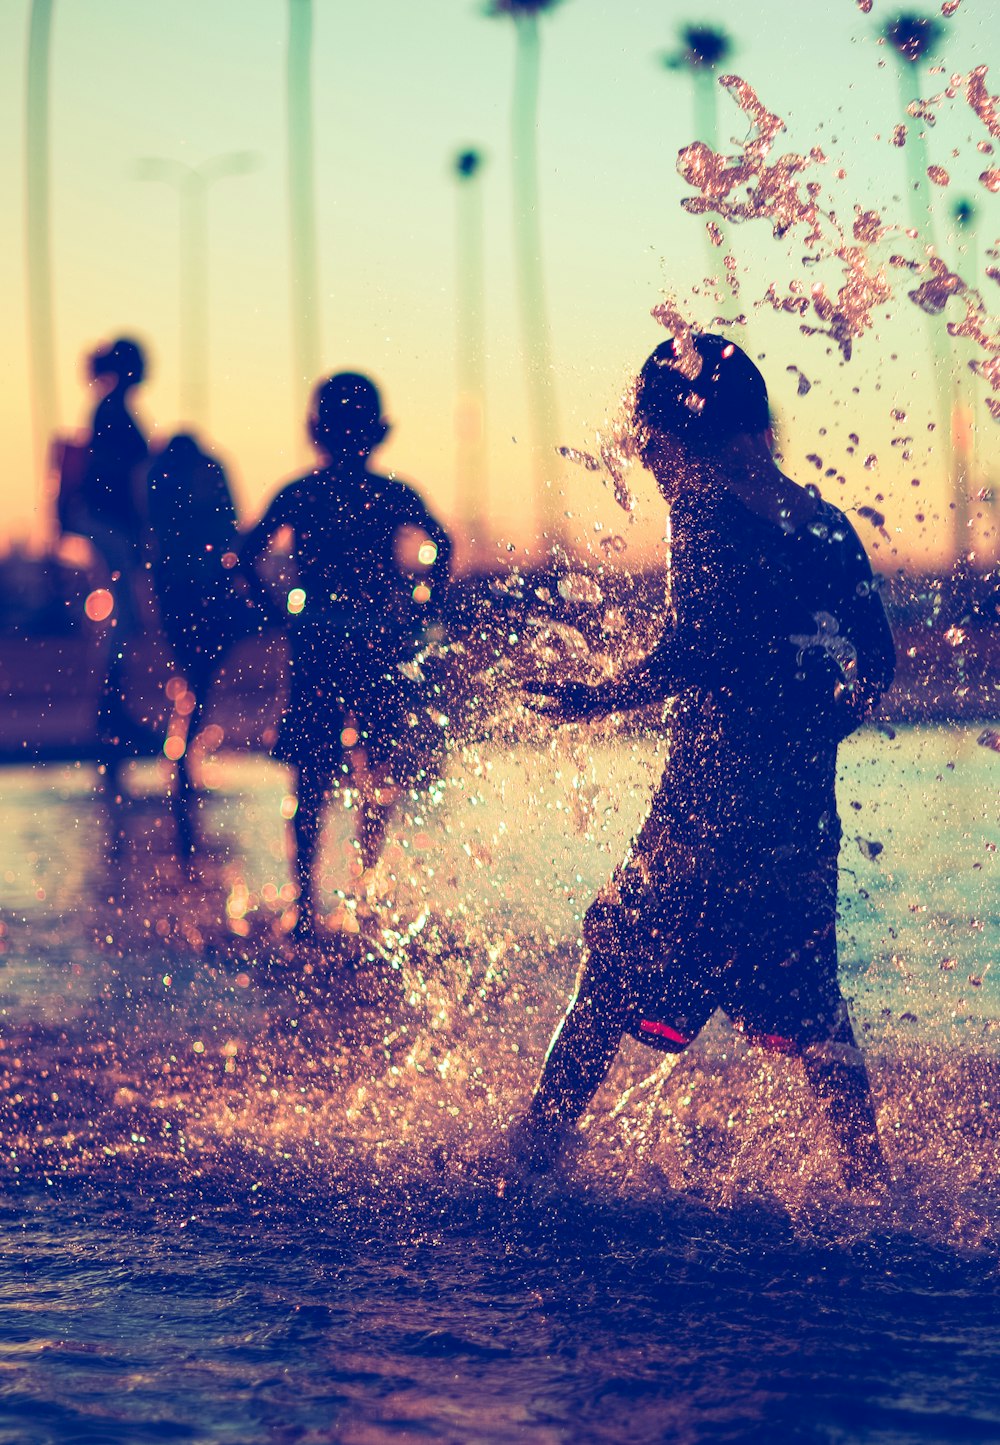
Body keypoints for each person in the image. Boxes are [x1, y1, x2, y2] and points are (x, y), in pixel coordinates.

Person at [507, 332, 896, 1190]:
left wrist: (595, 698)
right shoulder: (822, 522)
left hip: (707, 809)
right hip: (798, 813)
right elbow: (879, 659)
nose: (643, 457)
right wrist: (818, 728)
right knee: (815, 1002)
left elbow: (697, 648)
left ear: (682, 432)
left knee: (612, 964)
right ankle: (870, 1185)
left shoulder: (708, 512)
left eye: (648, 437)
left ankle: (530, 1156)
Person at [241, 372, 452, 939]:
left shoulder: (300, 494)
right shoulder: (392, 495)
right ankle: (364, 896)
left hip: (315, 645)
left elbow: (246, 553)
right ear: (379, 433)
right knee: (376, 773)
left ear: (315, 432)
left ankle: (304, 903)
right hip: (378, 646)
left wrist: (277, 610)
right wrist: (421, 605)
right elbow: (442, 544)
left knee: (309, 779)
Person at [147, 432, 261, 855]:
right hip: (205, 591)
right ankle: (182, 764)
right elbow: (231, 526)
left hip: (181, 591)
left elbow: (155, 533)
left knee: (195, 678)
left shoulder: (162, 478)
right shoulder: (208, 472)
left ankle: (181, 762)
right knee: (200, 678)